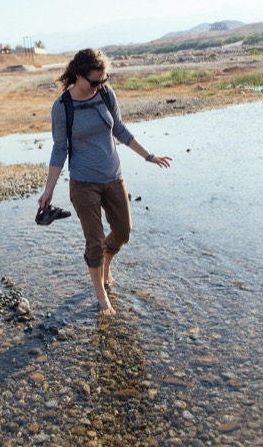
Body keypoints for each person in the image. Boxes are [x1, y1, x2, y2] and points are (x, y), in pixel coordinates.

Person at [38, 48, 172, 316]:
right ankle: (102, 297)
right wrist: (49, 189)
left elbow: (120, 129)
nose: (100, 86)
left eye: (104, 80)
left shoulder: (106, 94)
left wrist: (149, 156)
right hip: (83, 183)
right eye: (95, 81)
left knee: (123, 232)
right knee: (95, 240)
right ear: (78, 75)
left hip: (113, 177)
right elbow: (59, 148)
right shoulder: (62, 107)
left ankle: (106, 263)